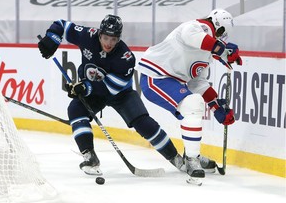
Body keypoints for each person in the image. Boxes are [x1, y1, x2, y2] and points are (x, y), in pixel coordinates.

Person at [37, 14, 189, 177]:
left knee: (143, 122)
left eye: (113, 39)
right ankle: (89, 156)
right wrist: (52, 38)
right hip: (94, 91)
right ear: (99, 34)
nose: (109, 43)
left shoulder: (125, 57)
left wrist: (85, 87)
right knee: (75, 110)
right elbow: (61, 24)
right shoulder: (87, 36)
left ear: (119, 39)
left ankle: (176, 158)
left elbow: (110, 88)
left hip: (121, 94)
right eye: (106, 38)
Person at [136, 9, 242, 184]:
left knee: (193, 107)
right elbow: (194, 37)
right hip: (155, 77)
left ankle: (192, 155)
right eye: (222, 33)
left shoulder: (207, 55)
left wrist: (217, 106)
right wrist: (221, 49)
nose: (223, 37)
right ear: (217, 27)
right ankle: (192, 160)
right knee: (194, 104)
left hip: (170, 81)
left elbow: (197, 83)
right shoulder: (195, 27)